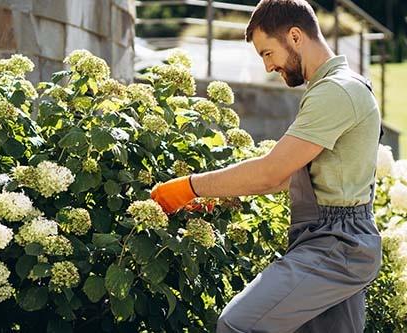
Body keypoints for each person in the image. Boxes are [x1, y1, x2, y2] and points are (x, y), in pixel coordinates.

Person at [150, 0, 383, 332]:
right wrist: (220, 192)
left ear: (295, 36)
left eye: (267, 53)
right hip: (336, 240)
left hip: (337, 243)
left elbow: (272, 172)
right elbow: (287, 175)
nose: (268, 67)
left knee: (237, 325)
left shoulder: (336, 92)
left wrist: (188, 187)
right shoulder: (337, 87)